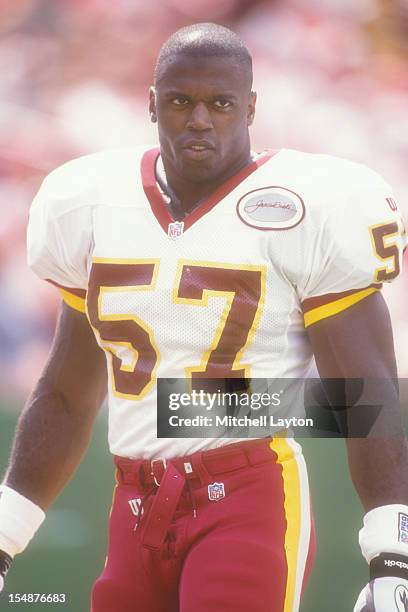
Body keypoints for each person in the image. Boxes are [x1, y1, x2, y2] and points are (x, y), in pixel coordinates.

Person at [0, 22, 407, 612]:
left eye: (220, 102)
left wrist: (391, 555)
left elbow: (365, 395)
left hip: (249, 496)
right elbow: (66, 393)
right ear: (151, 104)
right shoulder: (89, 202)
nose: (199, 119)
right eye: (180, 100)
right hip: (133, 505)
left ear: (251, 107)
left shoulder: (313, 206)